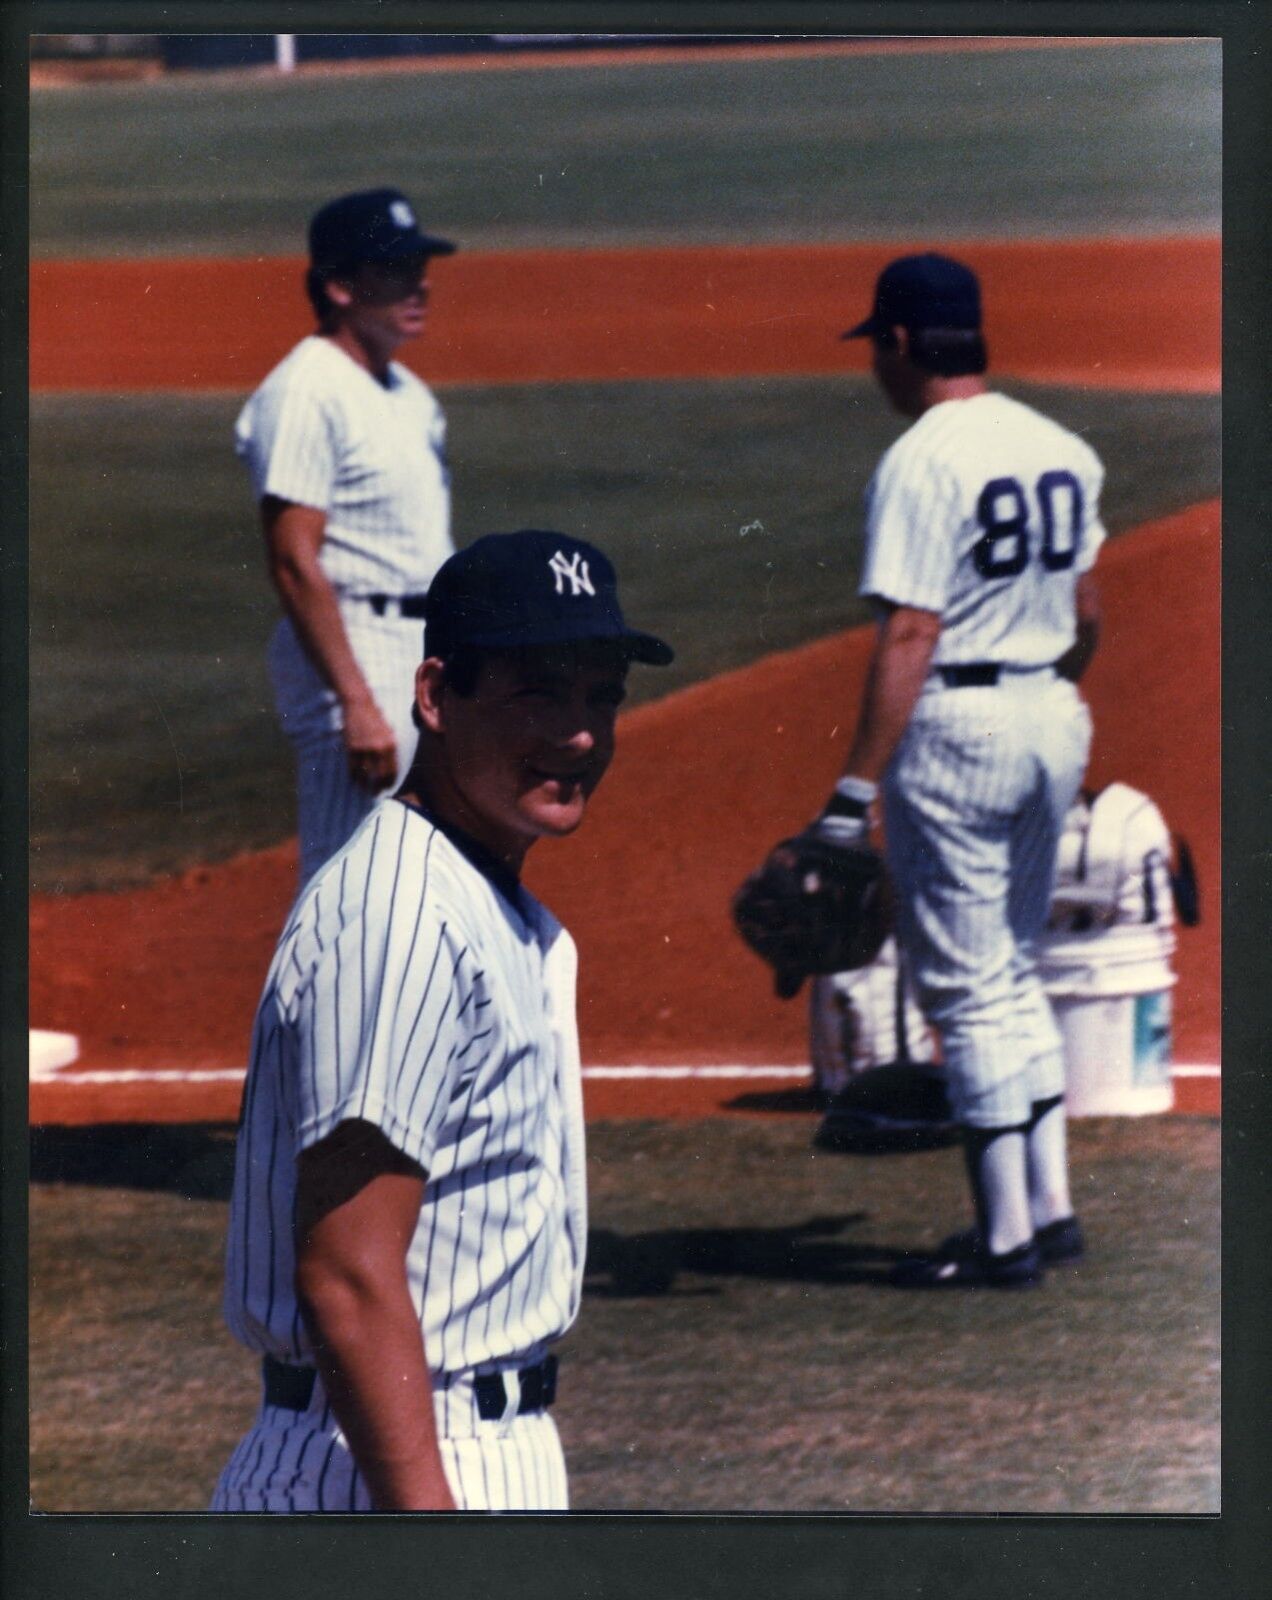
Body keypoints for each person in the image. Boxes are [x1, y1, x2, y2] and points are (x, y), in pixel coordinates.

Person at [210, 529, 673, 1511]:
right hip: (382, 1472)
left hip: (441, 1450)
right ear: (435, 697)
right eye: (539, 691)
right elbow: (346, 1270)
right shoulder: (401, 913)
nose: (582, 732)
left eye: (602, 695)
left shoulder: (475, 894)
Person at [811, 253, 1105, 1287]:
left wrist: (850, 794)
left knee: (968, 991)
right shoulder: (1057, 443)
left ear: (900, 344)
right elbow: (1089, 614)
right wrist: (1043, 707)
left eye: (875, 350)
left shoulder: (923, 460)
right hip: (1052, 709)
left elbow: (911, 633)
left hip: (961, 726)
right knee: (1014, 969)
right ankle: (1051, 1210)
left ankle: (1003, 1239)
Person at [236, 187, 458, 889]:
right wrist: (357, 703)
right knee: (348, 885)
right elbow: (294, 560)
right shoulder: (306, 390)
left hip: (422, 652)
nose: (417, 283)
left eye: (418, 265)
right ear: (338, 287)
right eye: (393, 269)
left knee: (423, 873)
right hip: (359, 654)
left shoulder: (409, 394)